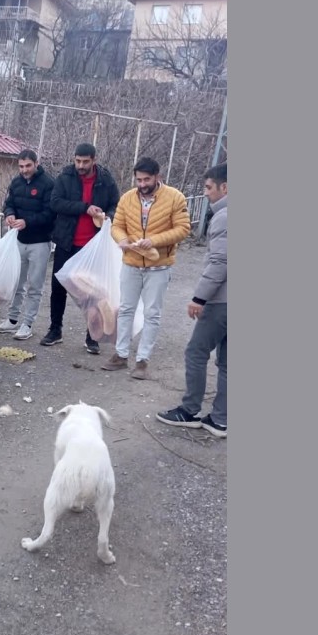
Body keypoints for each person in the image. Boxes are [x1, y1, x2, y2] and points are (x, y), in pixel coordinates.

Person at [100, 156, 191, 379]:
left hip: (159, 266)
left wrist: (154, 241)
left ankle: (142, 360)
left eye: (146, 179)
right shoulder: (127, 198)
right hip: (131, 263)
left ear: (157, 177)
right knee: (126, 309)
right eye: (139, 180)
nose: (142, 184)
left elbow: (183, 229)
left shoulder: (175, 197)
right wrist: (121, 239)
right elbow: (117, 225)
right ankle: (121, 355)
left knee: (152, 313)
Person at [157, 163, 227, 437]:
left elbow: (220, 262)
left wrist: (199, 297)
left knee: (196, 352)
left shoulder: (224, 217)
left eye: (209, 187)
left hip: (221, 301)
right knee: (227, 362)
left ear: (225, 187)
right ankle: (220, 419)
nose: (206, 193)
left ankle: (189, 410)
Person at [40, 142, 121, 351]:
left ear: (94, 160)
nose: (81, 165)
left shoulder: (106, 180)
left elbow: (116, 204)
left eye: (85, 161)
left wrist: (108, 216)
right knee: (59, 287)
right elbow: (55, 202)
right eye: (78, 161)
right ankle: (55, 329)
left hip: (93, 246)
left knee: (93, 292)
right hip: (66, 242)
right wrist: (85, 208)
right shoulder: (65, 176)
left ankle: (92, 336)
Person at [0, 149, 56, 341]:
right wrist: (9, 214)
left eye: (28, 166)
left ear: (36, 164)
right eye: (21, 166)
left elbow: (50, 213)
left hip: (40, 242)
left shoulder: (48, 183)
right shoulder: (16, 182)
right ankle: (12, 320)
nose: (24, 170)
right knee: (16, 282)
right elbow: (9, 203)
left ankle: (27, 323)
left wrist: (27, 221)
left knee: (35, 285)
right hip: (19, 240)